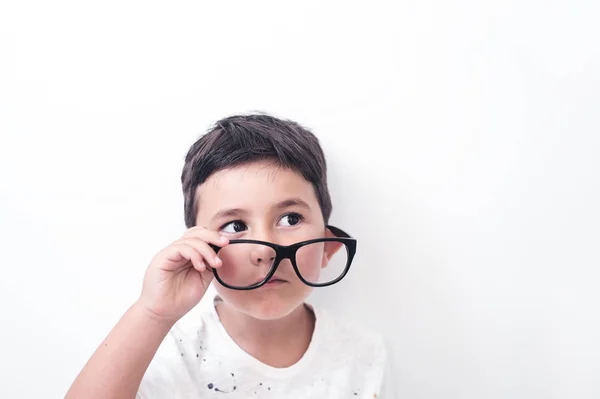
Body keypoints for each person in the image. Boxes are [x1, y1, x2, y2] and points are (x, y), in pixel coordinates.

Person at [66, 113, 391, 398]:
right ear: (199, 246)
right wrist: (153, 313)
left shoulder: (363, 354)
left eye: (290, 219)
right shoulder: (165, 353)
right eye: (236, 225)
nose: (264, 250)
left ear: (327, 247)